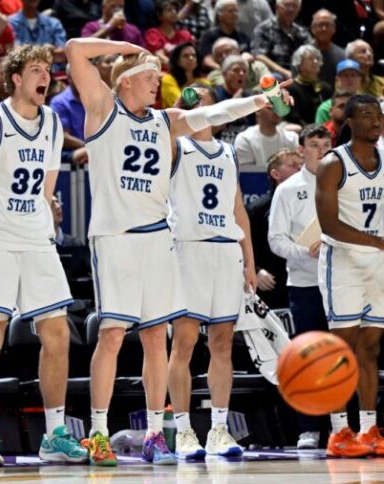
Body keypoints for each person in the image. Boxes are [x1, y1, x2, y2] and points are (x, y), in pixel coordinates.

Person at [65, 35, 291, 466]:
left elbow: (214, 112)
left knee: (155, 338)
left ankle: (155, 432)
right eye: (150, 77)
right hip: (115, 238)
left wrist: (258, 101)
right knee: (112, 335)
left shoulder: (164, 121)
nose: (157, 84)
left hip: (157, 239)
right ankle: (97, 433)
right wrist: (128, 46)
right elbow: (76, 47)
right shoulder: (103, 111)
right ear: (126, 81)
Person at [0, 45, 87, 467]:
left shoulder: (52, 122)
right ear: (15, 78)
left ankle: (55, 434)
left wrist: (48, 218)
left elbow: (47, 188)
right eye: (36, 70)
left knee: (57, 335)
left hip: (36, 240)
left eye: (48, 71)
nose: (45, 77)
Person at [166, 84, 255, 460]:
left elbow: (239, 211)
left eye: (202, 98)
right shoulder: (176, 145)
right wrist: (179, 107)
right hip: (189, 251)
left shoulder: (228, 152)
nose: (197, 103)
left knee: (221, 344)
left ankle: (219, 429)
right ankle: (184, 431)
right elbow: (169, 124)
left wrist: (249, 260)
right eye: (191, 99)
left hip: (225, 251)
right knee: (183, 343)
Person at [316, 94, 384, 458]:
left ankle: (369, 428)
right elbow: (328, 224)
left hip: (379, 264)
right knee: (341, 350)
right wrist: (377, 241)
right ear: (351, 123)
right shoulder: (333, 163)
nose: (376, 121)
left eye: (379, 115)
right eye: (368, 116)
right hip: (343, 261)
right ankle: (339, 430)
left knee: (370, 348)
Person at [267, 124, 332, 449]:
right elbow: (275, 239)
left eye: (325, 143)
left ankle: (345, 426)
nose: (320, 149)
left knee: (345, 356)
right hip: (305, 284)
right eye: (314, 144)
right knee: (310, 357)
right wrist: (303, 251)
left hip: (343, 284)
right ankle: (309, 427)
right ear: (301, 149)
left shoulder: (345, 183)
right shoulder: (289, 189)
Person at [246, 149, 302, 309]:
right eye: (293, 165)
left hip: (303, 280)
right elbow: (244, 246)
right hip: (271, 285)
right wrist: (255, 271)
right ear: (276, 174)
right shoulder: (256, 210)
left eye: (301, 165)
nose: (300, 169)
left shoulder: (311, 203)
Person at [251, 0, 310, 80]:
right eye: (287, 5)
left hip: (299, 75)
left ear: (299, 10)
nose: (291, 9)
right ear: (277, 7)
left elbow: (310, 53)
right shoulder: (263, 29)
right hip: (273, 75)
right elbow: (258, 56)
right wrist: (284, 72)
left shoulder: (302, 32)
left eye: (294, 6)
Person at [233, 103, 299, 168]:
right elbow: (248, 175)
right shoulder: (245, 139)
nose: (277, 111)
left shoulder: (292, 138)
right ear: (257, 110)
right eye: (270, 108)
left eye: (279, 107)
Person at [285, 45, 332, 126]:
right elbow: (293, 117)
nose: (315, 61)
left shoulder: (326, 88)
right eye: (310, 59)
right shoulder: (292, 89)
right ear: (299, 63)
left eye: (317, 58)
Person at [199, 0, 249, 71]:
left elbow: (248, 55)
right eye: (230, 11)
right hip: (217, 71)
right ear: (220, 16)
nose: (234, 14)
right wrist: (222, 70)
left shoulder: (243, 37)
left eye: (236, 11)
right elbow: (207, 60)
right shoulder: (209, 36)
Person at [143, 0, 192, 68]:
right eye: (169, 10)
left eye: (175, 9)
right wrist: (178, 68)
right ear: (159, 15)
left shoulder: (185, 35)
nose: (174, 12)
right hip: (162, 73)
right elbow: (159, 56)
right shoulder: (153, 34)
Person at [160, 41, 206, 109]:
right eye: (185, 56)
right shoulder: (168, 80)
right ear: (177, 61)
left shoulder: (204, 82)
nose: (191, 58)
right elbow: (182, 105)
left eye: (194, 55)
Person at [309, 9, 343, 87]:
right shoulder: (302, 55)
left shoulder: (342, 56)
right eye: (320, 25)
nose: (324, 29)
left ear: (334, 29)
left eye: (327, 25)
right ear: (313, 28)